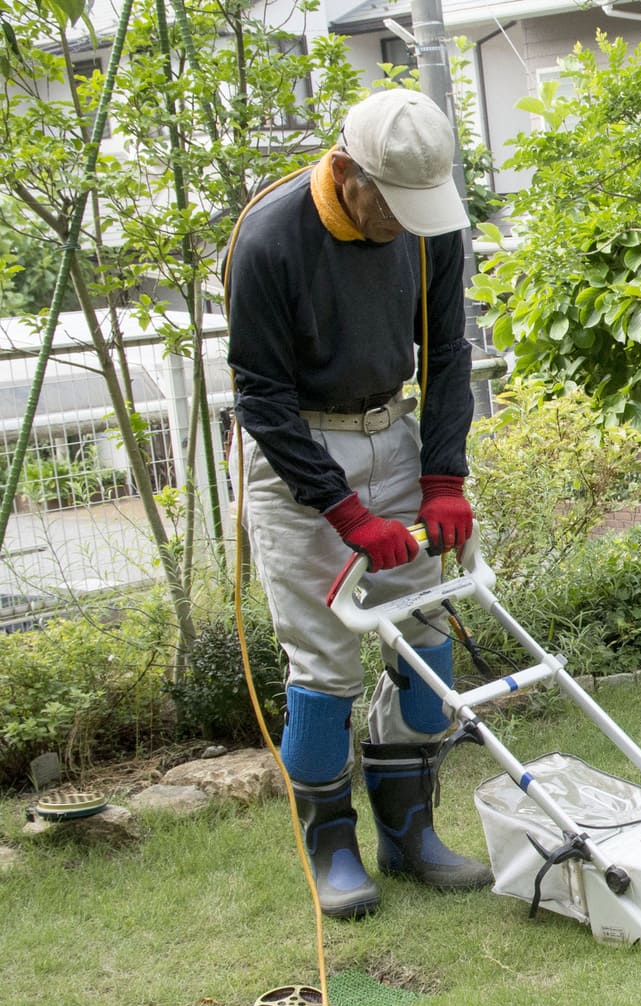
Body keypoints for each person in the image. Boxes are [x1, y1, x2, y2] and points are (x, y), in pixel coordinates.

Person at [225, 88, 491, 917]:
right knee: (325, 665)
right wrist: (344, 514)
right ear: (345, 172)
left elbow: (446, 350)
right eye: (391, 206)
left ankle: (410, 834)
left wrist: (442, 477)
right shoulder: (270, 240)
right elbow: (260, 398)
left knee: (427, 642)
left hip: (395, 433)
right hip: (298, 450)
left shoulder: (426, 228)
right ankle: (331, 846)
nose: (406, 225)